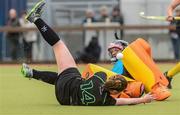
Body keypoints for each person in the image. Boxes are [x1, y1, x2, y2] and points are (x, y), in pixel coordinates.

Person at [21, 0, 154, 106]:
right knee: (62, 76)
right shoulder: (106, 101)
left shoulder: (101, 76)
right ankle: (32, 73)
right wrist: (142, 99)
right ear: (114, 92)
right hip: (63, 99)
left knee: (58, 45)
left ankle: (35, 19)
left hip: (69, 83)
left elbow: (93, 74)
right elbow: (124, 101)